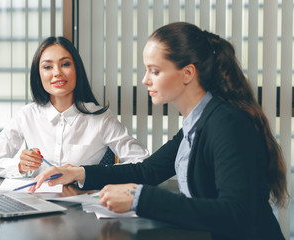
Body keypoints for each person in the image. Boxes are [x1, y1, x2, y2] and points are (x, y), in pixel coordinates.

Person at [30, 22, 288, 240]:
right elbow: (147, 170)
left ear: (187, 73)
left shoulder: (226, 124)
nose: (145, 80)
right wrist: (78, 172)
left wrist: (139, 199)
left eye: (155, 71)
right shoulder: (195, 124)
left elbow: (235, 212)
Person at [0, 36, 149, 178]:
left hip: (80, 206)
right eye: (48, 67)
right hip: (36, 204)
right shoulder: (27, 115)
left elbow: (141, 162)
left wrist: (86, 173)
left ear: (77, 69)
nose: (57, 73)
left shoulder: (100, 118)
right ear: (38, 74)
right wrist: (18, 166)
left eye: (65, 64)